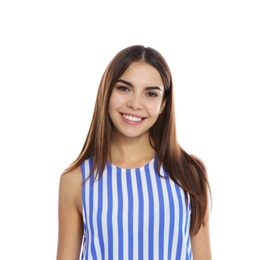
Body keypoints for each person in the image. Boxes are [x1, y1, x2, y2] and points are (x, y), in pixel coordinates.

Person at [56, 45, 212, 260]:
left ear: (163, 103)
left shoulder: (188, 173)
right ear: (107, 92)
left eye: (150, 93)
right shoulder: (76, 180)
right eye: (124, 88)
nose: (135, 104)